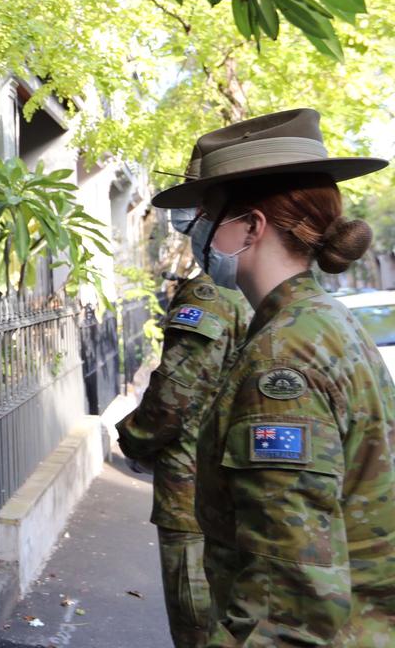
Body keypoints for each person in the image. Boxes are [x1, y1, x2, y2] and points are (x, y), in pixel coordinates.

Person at [152, 108, 395, 645]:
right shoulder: (328, 325)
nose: (197, 233)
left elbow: (287, 606)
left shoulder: (282, 360)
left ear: (252, 227)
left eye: (207, 217)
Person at [116, 225, 250, 645]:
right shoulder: (266, 293)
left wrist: (133, 438)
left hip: (194, 491)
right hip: (245, 493)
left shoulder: (209, 295)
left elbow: (175, 393)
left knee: (199, 625)